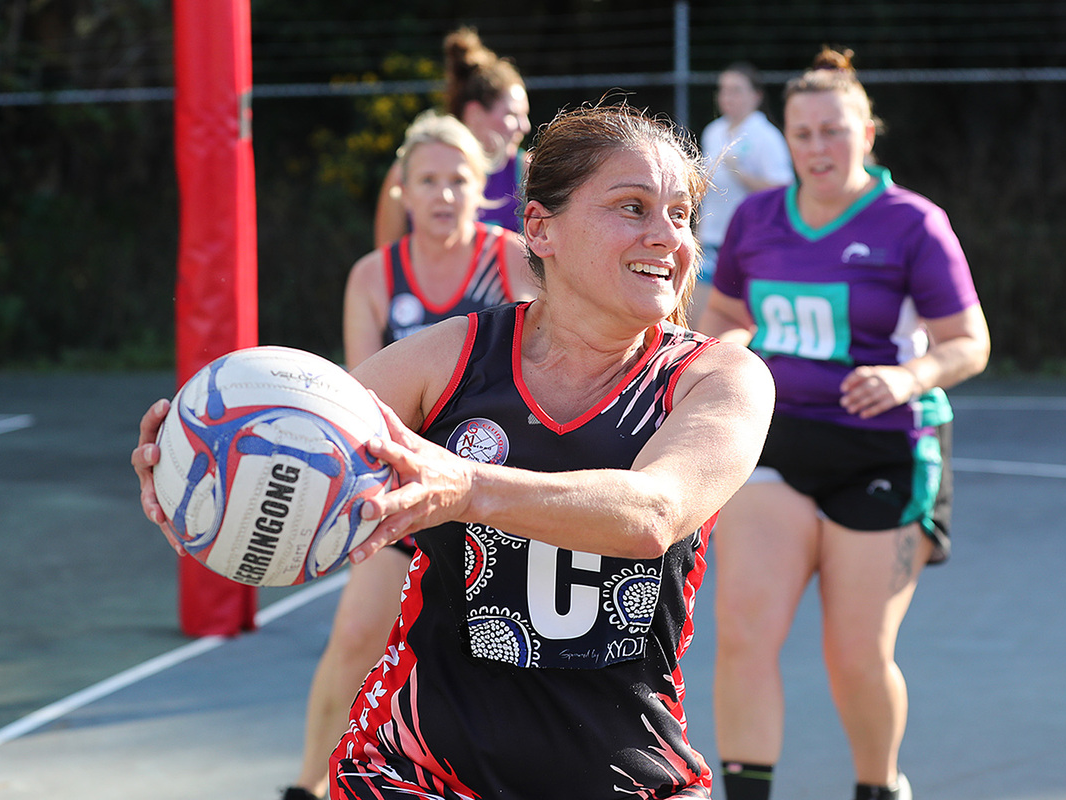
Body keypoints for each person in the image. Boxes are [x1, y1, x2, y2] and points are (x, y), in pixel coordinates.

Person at [134, 102, 775, 800]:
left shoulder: (717, 378)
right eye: (633, 207)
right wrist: (192, 473)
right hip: (416, 770)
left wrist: (467, 487)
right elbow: (305, 444)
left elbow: (653, 513)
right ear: (541, 227)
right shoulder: (453, 358)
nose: (667, 237)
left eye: (681, 215)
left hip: (624, 774)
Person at [698, 47, 990, 800]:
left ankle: (878, 785)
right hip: (777, 447)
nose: (818, 148)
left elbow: (969, 341)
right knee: (744, 635)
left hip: (884, 452)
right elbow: (724, 315)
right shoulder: (759, 218)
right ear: (785, 139)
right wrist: (726, 356)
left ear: (867, 132)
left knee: (855, 652)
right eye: (803, 134)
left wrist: (909, 374)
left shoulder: (912, 224)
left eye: (834, 130)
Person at [295, 110, 534, 800]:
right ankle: (307, 784)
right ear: (402, 189)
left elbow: (535, 380)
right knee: (355, 639)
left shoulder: (512, 258)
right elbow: (362, 404)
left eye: (458, 179)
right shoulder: (374, 276)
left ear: (480, 185)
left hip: (497, 492)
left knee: (501, 664)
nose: (443, 194)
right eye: (427, 180)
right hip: (403, 492)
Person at [373, 26, 531, 249]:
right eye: (512, 115)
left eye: (459, 182)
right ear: (474, 114)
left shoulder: (526, 173)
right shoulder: (404, 172)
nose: (525, 126)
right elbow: (386, 267)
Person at [692, 63, 793, 328]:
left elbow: (783, 190)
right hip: (711, 240)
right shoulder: (713, 132)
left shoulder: (766, 136)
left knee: (742, 324)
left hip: (748, 243)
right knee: (703, 321)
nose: (727, 97)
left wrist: (741, 173)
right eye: (723, 90)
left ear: (756, 96)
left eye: (736, 90)